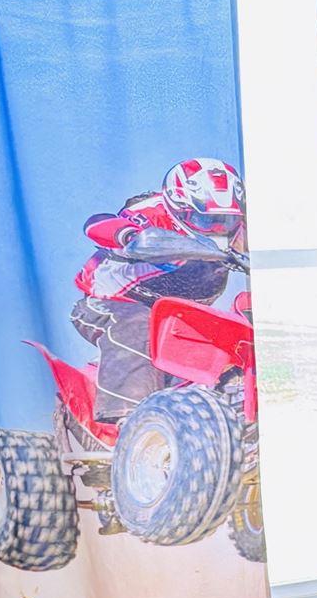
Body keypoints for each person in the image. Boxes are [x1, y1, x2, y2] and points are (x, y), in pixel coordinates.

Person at [72, 159, 247, 427]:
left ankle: (236, 403)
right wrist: (128, 235)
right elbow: (96, 224)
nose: (217, 228)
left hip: (183, 315)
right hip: (109, 305)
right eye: (205, 219)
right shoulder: (151, 213)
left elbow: (295, 230)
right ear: (180, 209)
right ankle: (131, 421)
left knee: (239, 328)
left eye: (225, 221)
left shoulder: (245, 225)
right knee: (137, 324)